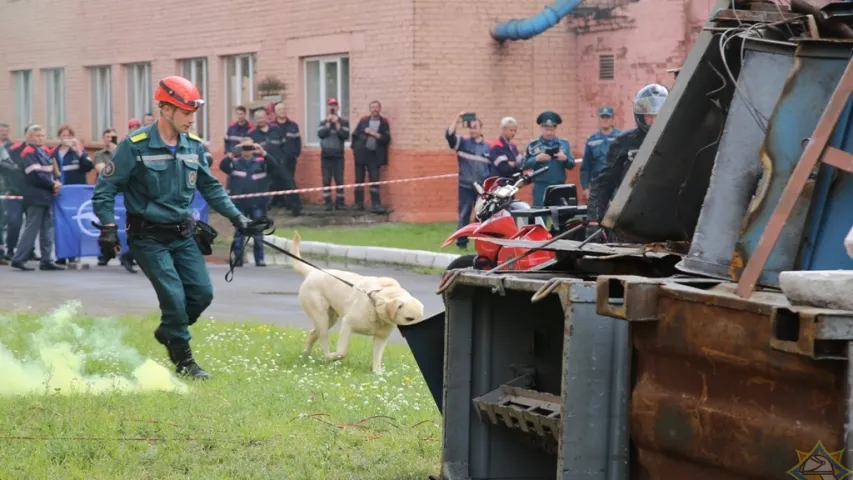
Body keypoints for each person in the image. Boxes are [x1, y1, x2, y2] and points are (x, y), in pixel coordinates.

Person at [92, 75, 251, 380]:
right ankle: (185, 362)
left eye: (193, 113)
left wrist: (237, 218)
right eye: (186, 113)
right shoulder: (135, 145)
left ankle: (169, 331)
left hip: (183, 234)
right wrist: (108, 226)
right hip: (148, 236)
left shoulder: (192, 145)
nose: (192, 119)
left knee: (202, 294)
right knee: (175, 300)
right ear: (166, 110)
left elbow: (211, 187)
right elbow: (105, 188)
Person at [587, 84, 669, 242]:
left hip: (667, 219)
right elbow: (603, 182)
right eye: (648, 116)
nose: (653, 121)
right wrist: (594, 220)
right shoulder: (624, 142)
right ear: (640, 116)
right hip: (629, 221)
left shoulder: (676, 140)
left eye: (657, 116)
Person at [10, 125, 64, 271]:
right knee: (31, 229)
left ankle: (46, 260)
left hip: (45, 195)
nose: (40, 138)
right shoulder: (28, 152)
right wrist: (53, 184)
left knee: (47, 228)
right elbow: (35, 176)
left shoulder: (43, 151)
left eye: (42, 135)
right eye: (37, 135)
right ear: (29, 137)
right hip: (35, 195)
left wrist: (54, 183)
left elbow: (48, 172)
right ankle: (19, 258)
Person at [220, 138, 274, 267]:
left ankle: (259, 259)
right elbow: (222, 166)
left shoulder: (261, 163)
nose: (247, 151)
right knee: (240, 231)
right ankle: (238, 258)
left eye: (250, 148)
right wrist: (232, 153)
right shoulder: (234, 163)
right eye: (244, 148)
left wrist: (263, 152)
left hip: (258, 203)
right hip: (239, 203)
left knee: (258, 231)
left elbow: (274, 166)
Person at [445, 111, 491, 250]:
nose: (472, 129)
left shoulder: (488, 147)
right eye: (470, 127)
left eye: (475, 127)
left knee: (481, 216)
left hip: (482, 189)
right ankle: (462, 244)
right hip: (465, 186)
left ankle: (480, 243)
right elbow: (449, 135)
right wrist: (457, 119)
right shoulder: (462, 143)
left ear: (481, 128)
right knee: (464, 215)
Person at [521, 111, 575, 207]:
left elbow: (571, 165)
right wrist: (536, 159)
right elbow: (523, 165)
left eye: (552, 129)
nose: (549, 132)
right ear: (541, 128)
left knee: (559, 217)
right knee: (540, 215)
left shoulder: (564, 144)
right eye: (546, 129)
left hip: (558, 185)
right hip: (540, 186)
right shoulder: (533, 145)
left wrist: (565, 159)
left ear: (556, 128)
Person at [351, 100, 391, 213]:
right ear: (370, 109)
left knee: (374, 180)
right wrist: (355, 149)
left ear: (380, 108)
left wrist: (375, 134)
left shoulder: (384, 123)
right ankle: (358, 204)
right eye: (373, 107)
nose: (375, 109)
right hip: (361, 155)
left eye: (377, 107)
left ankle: (376, 205)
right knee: (359, 180)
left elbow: (386, 139)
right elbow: (354, 135)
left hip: (375, 156)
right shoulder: (363, 121)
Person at [580, 106, 621, 200]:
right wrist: (585, 187)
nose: (605, 120)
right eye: (602, 117)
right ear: (599, 119)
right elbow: (585, 167)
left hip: (616, 183)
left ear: (612, 119)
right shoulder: (592, 140)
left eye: (608, 117)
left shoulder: (621, 138)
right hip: (598, 183)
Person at [317, 98, 350, 210]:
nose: (332, 107)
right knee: (326, 180)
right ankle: (328, 202)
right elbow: (320, 134)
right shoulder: (323, 122)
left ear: (338, 107)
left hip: (338, 156)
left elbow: (345, 136)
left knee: (339, 179)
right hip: (326, 155)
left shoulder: (344, 122)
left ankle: (340, 202)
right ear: (328, 107)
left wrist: (337, 124)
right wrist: (327, 123)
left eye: (335, 105)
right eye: (331, 105)